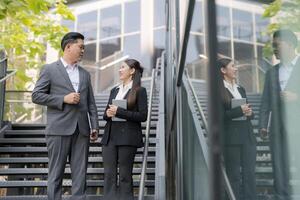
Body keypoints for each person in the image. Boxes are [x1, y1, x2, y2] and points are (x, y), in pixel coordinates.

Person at [32, 32, 99, 200]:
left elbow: (91, 103)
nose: (83, 50)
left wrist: (95, 126)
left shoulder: (84, 74)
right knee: (56, 175)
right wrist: (63, 99)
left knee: (80, 175)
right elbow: (36, 95)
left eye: (84, 47)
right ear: (68, 47)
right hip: (58, 130)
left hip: (82, 131)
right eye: (81, 47)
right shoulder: (49, 69)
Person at [259, 29, 300, 200]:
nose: (274, 49)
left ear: (290, 44)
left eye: (277, 45)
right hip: (277, 129)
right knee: (279, 169)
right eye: (273, 46)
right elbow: (265, 102)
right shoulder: (271, 72)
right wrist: (262, 125)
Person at [101, 59, 148, 200]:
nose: (120, 70)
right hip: (110, 137)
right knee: (109, 174)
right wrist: (108, 114)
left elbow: (143, 116)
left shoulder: (140, 91)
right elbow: (106, 113)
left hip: (127, 138)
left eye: (123, 67)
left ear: (132, 71)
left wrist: (119, 111)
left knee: (125, 175)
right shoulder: (114, 90)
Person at [217, 58, 257, 200]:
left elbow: (249, 112)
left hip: (248, 137)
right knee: (233, 176)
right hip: (231, 140)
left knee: (250, 176)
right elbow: (219, 116)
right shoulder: (218, 90)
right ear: (223, 70)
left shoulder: (240, 88)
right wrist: (240, 110)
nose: (236, 68)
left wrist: (249, 112)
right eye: (233, 66)